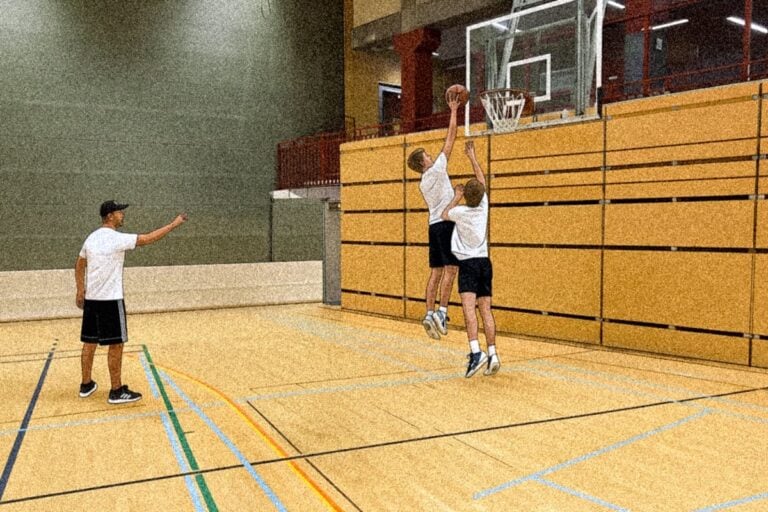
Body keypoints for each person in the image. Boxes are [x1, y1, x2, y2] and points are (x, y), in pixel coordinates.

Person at [75, 200, 188, 404]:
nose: (123, 215)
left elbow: (80, 263)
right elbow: (148, 238)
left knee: (89, 343)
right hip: (110, 301)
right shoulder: (117, 239)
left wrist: (80, 289)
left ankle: (86, 384)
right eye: (119, 212)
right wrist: (173, 224)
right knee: (116, 345)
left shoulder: (91, 238)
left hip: (92, 300)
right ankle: (116, 391)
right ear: (110, 216)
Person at [441, 140, 499, 378]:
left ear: (466, 196)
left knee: (468, 310)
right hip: (485, 263)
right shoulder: (483, 207)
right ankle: (493, 353)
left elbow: (444, 213)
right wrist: (472, 157)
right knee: (486, 310)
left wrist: (456, 195)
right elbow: (481, 180)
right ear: (482, 195)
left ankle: (476, 352)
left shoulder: (460, 212)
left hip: (468, 265)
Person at [406, 92, 462, 340]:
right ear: (423, 163)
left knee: (436, 272)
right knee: (451, 269)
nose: (431, 155)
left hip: (433, 227)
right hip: (446, 225)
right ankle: (441, 312)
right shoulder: (437, 169)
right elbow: (451, 137)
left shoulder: (422, 183)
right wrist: (454, 111)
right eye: (427, 155)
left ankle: (429, 313)